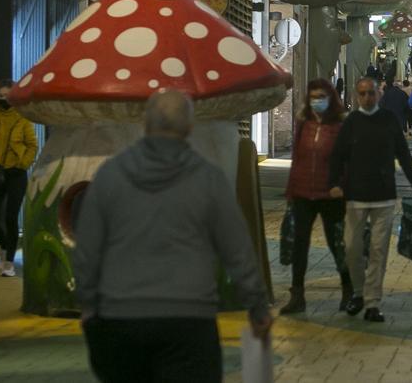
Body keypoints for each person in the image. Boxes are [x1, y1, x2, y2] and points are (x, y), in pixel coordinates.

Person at [73, 90, 272, 382]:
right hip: (189, 321)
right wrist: (257, 309)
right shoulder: (208, 179)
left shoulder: (110, 175)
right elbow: (238, 251)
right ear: (190, 128)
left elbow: (87, 250)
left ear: (145, 123)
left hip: (118, 320)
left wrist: (89, 307)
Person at [328, 78, 412, 323]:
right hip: (355, 196)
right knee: (352, 248)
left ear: (378, 94)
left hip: (383, 195)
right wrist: (333, 184)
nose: (366, 98)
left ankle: (372, 301)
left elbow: (404, 156)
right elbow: (338, 156)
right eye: (362, 93)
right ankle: (358, 292)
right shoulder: (351, 122)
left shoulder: (388, 121)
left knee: (378, 250)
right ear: (356, 95)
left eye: (370, 93)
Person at [281, 79, 353, 314]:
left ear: (330, 98)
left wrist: (342, 187)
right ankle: (297, 295)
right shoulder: (304, 123)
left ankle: (348, 289)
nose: (317, 101)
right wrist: (291, 190)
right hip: (303, 192)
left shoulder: (339, 127)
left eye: (321, 96)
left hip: (330, 193)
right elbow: (297, 159)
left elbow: (347, 161)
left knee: (337, 243)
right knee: (299, 245)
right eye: (313, 97)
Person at [0, 79, 39, 277]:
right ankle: (4, 247)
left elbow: (32, 145)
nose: (4, 99)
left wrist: (24, 163)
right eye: (1, 95)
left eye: (8, 95)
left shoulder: (23, 119)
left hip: (15, 173)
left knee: (11, 217)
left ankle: (9, 262)